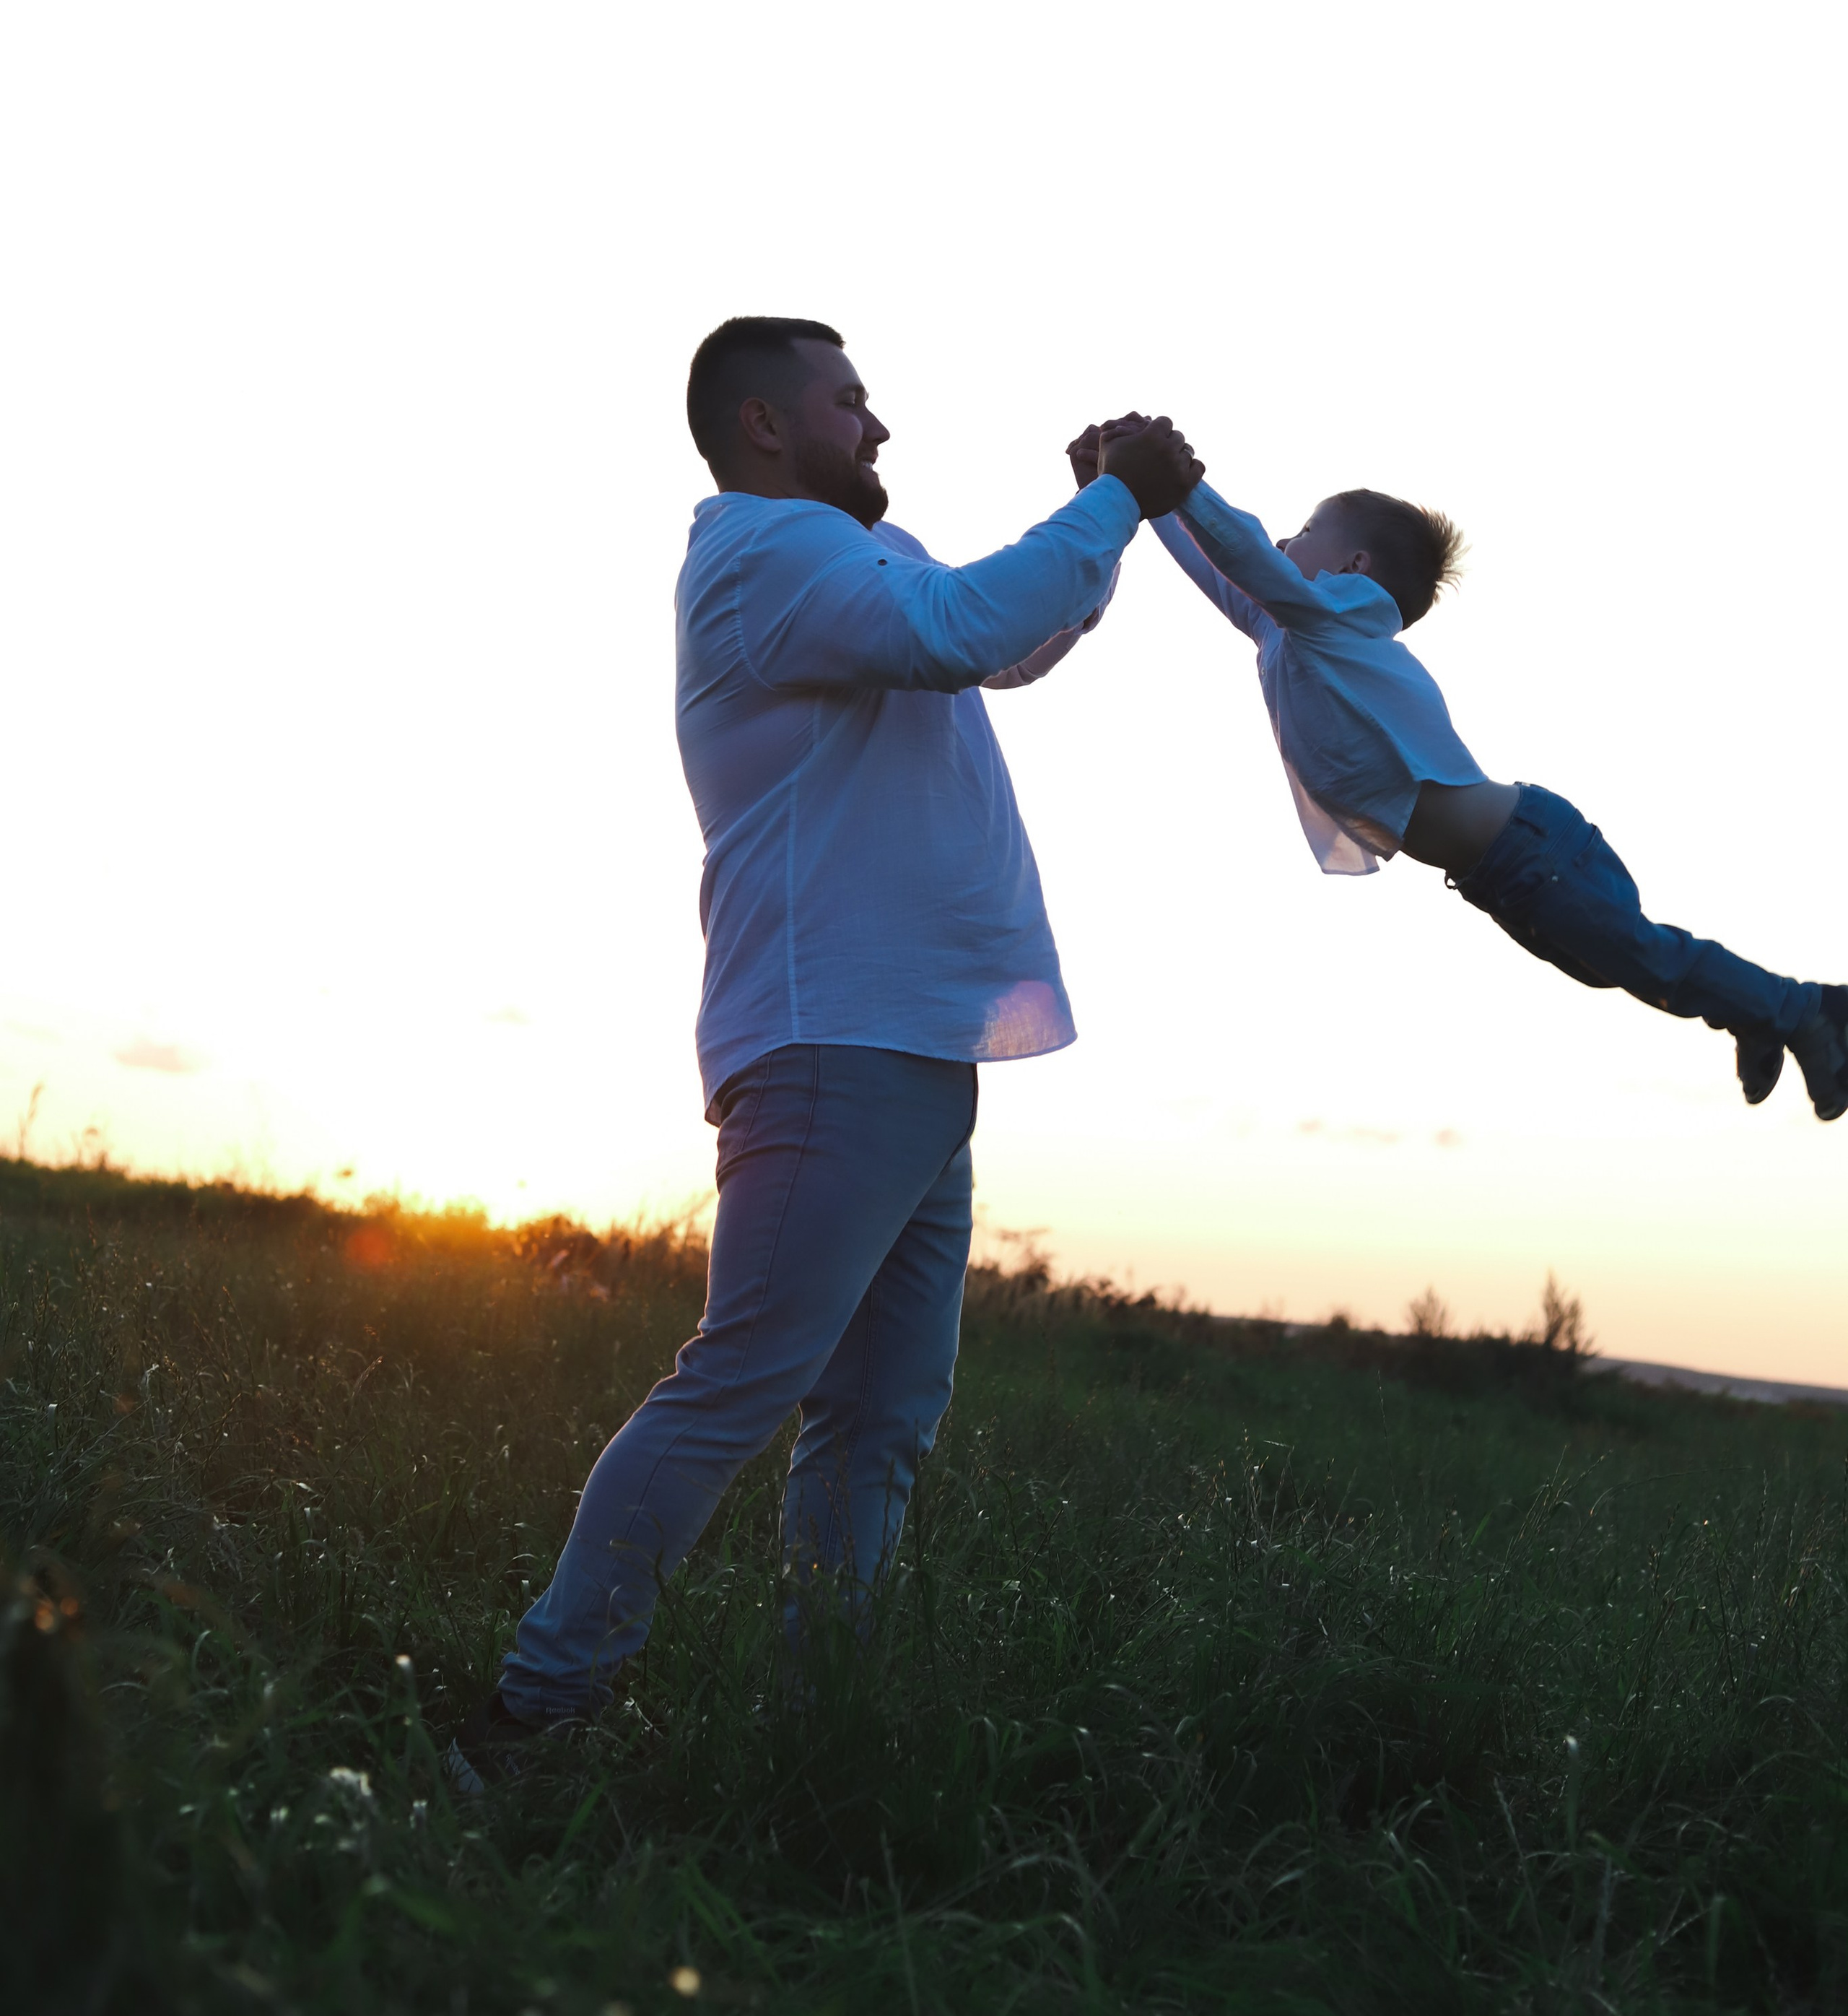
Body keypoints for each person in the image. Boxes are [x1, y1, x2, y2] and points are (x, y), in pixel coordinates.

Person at [445, 326, 1203, 1788]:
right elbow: (963, 629)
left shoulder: (850, 559)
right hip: (829, 1039)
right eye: (849, 400)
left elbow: (1001, 643)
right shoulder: (764, 551)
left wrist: (1096, 520)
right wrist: (1115, 500)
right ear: (762, 424)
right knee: (740, 1382)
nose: (879, 425)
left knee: (877, 1419)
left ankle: (813, 1733)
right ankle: (533, 1719)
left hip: (906, 1047)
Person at [1068, 422, 1848, 1122]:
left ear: (1352, 568)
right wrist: (1131, 493)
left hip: (1531, 851)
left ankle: (1804, 1010)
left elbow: (1240, 551)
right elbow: (1220, 571)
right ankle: (1756, 1011)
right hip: (1504, 871)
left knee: (1638, 956)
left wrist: (1184, 487)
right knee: (1612, 967)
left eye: (1302, 532)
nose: (1281, 540)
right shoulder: (1288, 629)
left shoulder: (1337, 614)